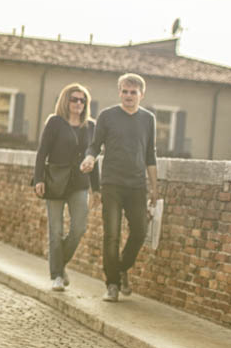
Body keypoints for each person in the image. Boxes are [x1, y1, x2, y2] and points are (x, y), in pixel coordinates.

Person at [82, 73, 158, 302]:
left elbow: (150, 154)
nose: (128, 96)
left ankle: (123, 267)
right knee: (112, 235)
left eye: (133, 92)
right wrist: (89, 159)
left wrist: (154, 187)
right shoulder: (107, 116)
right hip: (112, 184)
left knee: (140, 231)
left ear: (141, 95)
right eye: (124, 91)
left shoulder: (148, 119)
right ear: (119, 92)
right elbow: (94, 146)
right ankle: (112, 284)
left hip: (137, 185)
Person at [32, 83, 96, 292]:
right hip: (55, 181)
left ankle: (59, 264)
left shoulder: (91, 126)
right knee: (56, 230)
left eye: (82, 100)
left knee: (79, 228)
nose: (78, 103)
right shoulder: (55, 122)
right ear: (65, 101)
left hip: (80, 183)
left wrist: (97, 188)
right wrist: (38, 179)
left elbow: (93, 157)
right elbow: (42, 153)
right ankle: (57, 275)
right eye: (74, 99)